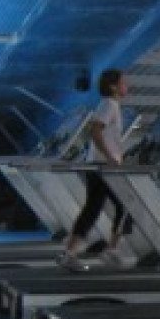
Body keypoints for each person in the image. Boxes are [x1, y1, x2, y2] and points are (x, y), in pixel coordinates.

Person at [57, 68, 132, 271]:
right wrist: (110, 157)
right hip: (104, 166)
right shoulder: (109, 105)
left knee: (93, 208)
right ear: (113, 87)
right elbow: (96, 130)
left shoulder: (109, 105)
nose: (127, 86)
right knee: (126, 205)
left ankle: (71, 252)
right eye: (123, 82)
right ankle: (110, 249)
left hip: (99, 164)